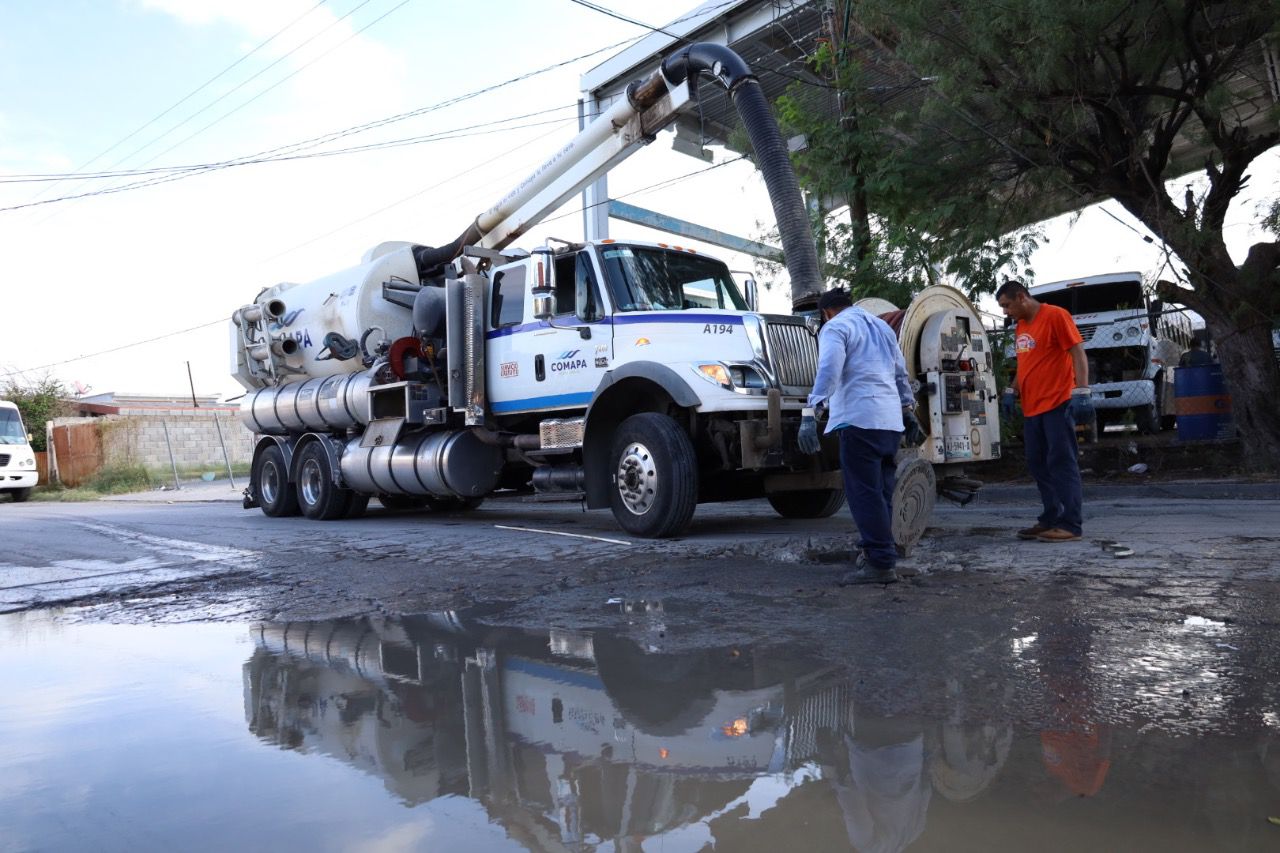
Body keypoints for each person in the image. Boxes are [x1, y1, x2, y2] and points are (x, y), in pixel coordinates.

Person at [798, 288, 925, 585]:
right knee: (882, 492)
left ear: (826, 312)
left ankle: (880, 563)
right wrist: (908, 410)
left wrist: (811, 410)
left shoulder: (836, 327)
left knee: (863, 493)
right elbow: (899, 372)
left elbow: (829, 369)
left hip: (859, 418)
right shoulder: (881, 326)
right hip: (889, 421)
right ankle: (883, 552)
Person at [995, 280, 1093, 543]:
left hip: (1057, 403)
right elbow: (1025, 364)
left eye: (1007, 305)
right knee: (1038, 464)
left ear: (1021, 297)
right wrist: (1011, 391)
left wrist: (1082, 391)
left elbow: (1077, 352)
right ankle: (1051, 517)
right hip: (1032, 408)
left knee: (1061, 462)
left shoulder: (1055, 316)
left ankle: (1071, 524)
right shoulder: (1021, 327)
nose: (1006, 312)